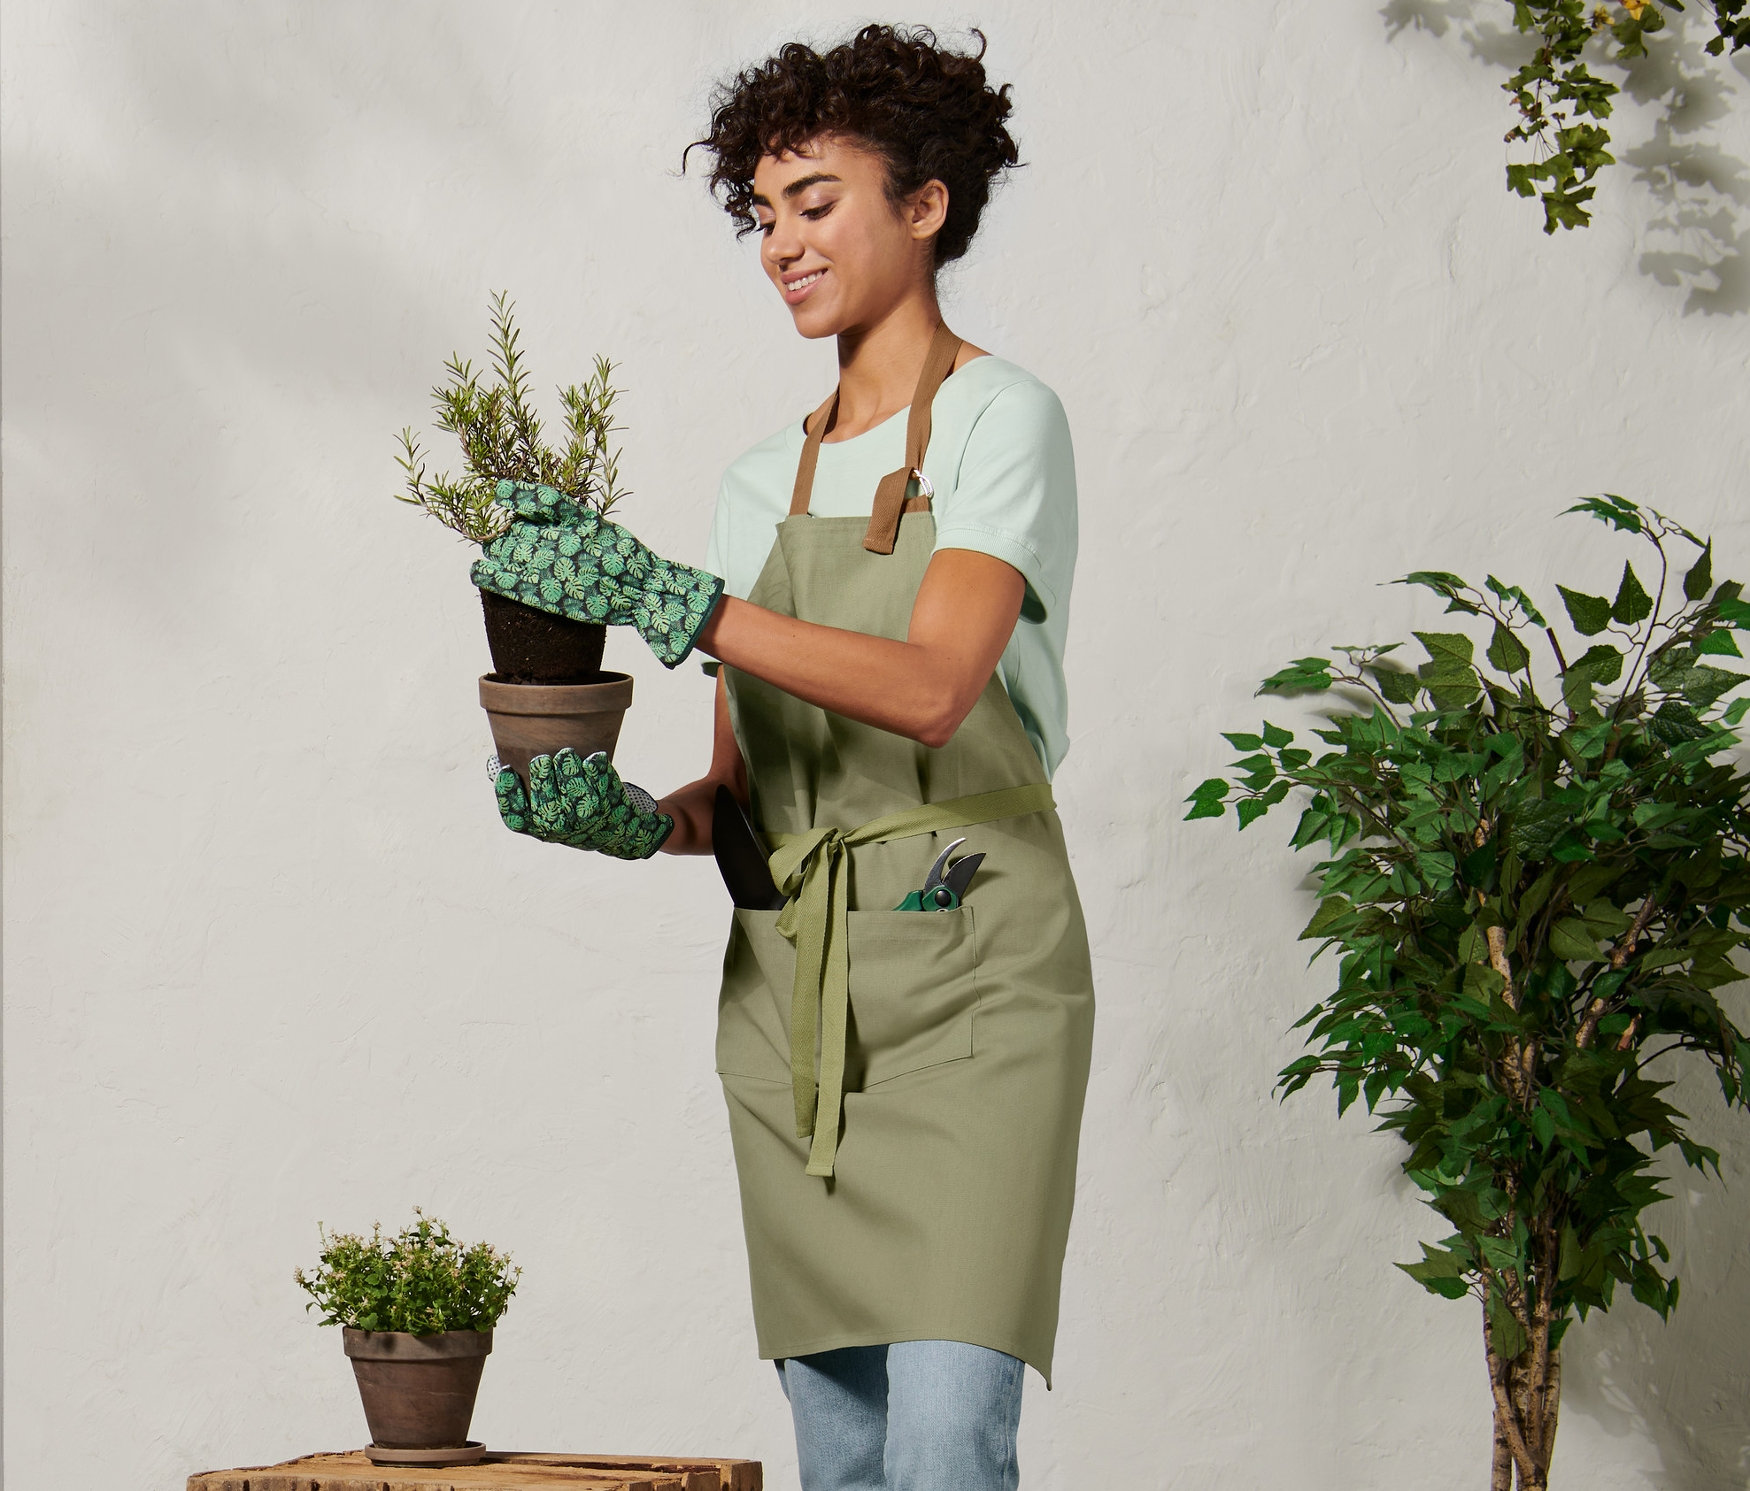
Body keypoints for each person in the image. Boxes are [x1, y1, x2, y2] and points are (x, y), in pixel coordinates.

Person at [471, 25, 1095, 1491]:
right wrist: (633, 820)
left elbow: (934, 689)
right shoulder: (761, 479)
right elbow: (746, 791)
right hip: (792, 992)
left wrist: (681, 604)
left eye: (815, 203)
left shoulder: (1002, 419)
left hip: (972, 967)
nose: (781, 246)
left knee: (945, 1442)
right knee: (845, 1453)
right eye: (762, 215)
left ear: (925, 203)